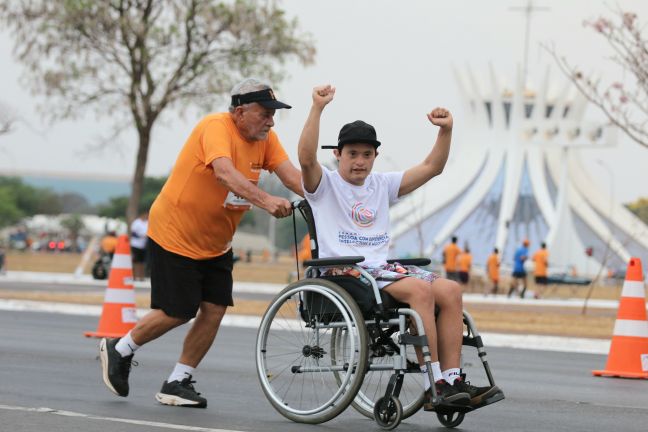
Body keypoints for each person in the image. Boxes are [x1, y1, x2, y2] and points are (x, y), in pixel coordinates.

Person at [98, 78, 303, 408]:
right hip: (175, 234)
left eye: (273, 114)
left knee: (214, 309)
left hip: (216, 242)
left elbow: (292, 176)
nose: (271, 120)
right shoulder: (216, 127)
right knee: (178, 311)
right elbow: (224, 173)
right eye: (264, 113)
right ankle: (119, 349)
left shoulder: (267, 140)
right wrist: (266, 200)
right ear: (239, 111)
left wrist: (328, 196)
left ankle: (177, 381)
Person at [298, 84, 499, 409]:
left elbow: (433, 167)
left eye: (366, 155)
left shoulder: (382, 184)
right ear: (337, 154)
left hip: (381, 269)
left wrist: (446, 131)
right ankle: (434, 384)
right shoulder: (324, 185)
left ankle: (452, 379)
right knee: (420, 290)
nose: (360, 162)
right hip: (345, 270)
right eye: (352, 154)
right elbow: (306, 158)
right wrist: (317, 108)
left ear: (375, 155)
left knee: (450, 291)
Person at [129, 211, 149, 281]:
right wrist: (141, 236)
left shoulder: (147, 223)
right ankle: (134, 276)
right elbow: (133, 233)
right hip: (136, 244)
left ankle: (141, 276)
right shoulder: (136, 222)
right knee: (135, 261)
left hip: (143, 245)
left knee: (142, 262)